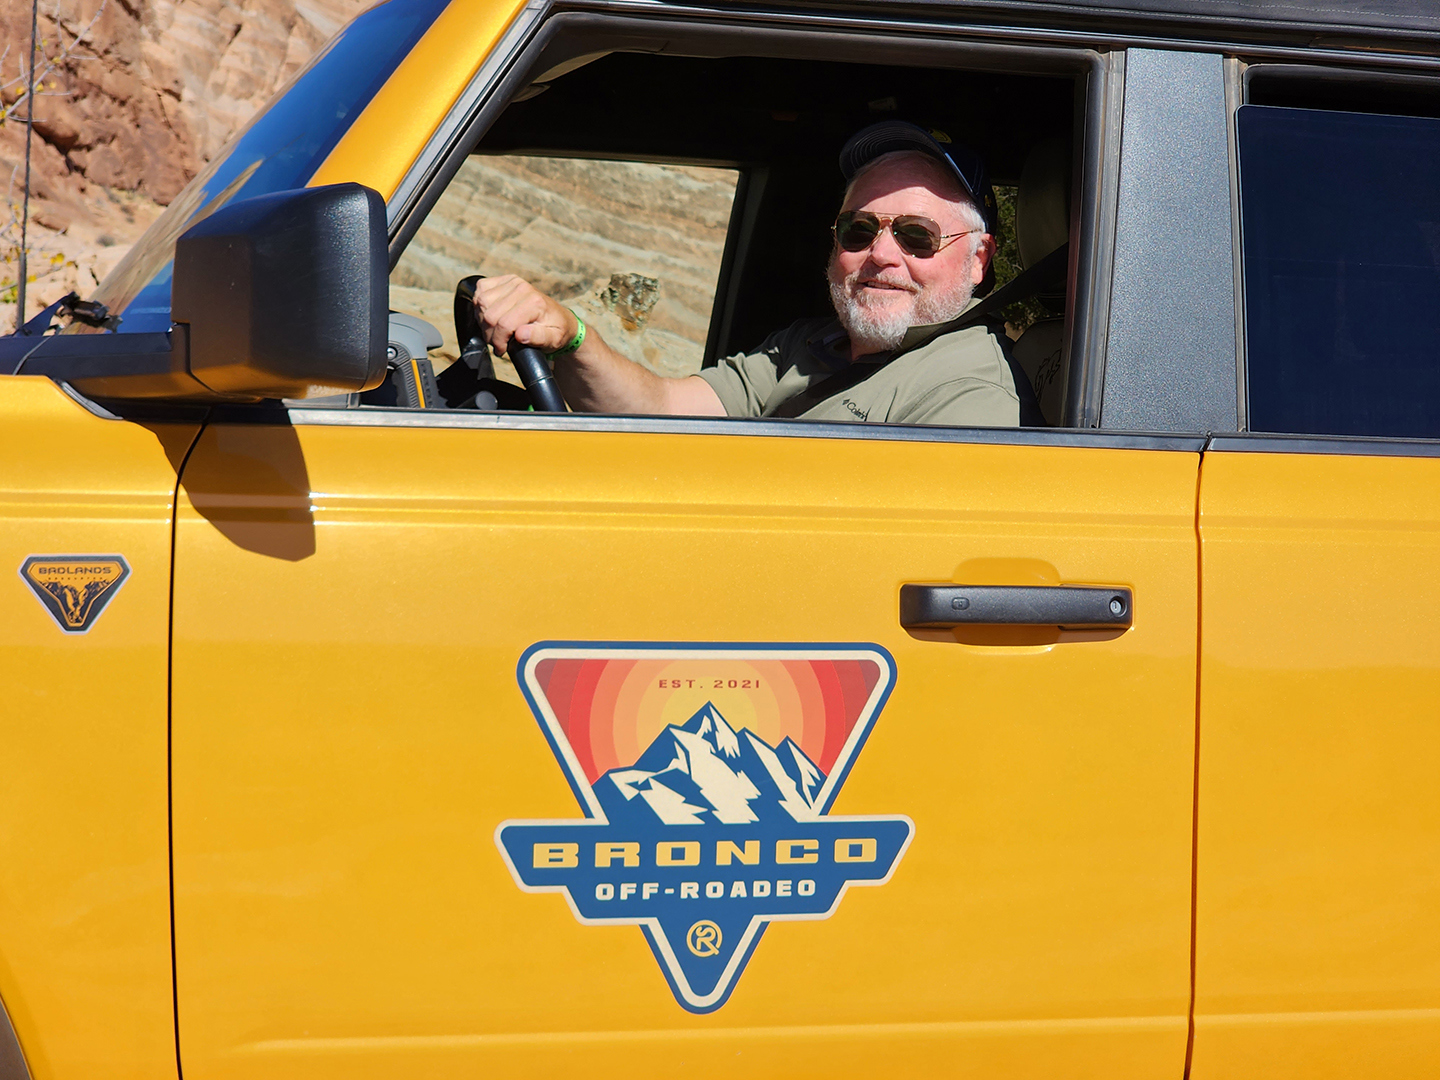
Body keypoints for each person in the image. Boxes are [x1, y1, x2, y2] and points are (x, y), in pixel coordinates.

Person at [472, 121, 1027, 426]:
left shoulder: (968, 396)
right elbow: (665, 409)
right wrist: (571, 336)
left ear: (979, 260)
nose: (880, 254)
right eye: (858, 229)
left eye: (916, 235)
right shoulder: (813, 345)